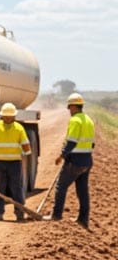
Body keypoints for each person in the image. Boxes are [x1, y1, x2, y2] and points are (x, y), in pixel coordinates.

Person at [51, 92, 95, 229]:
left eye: (69, 107)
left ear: (74, 106)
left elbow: (71, 142)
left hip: (74, 161)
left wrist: (62, 156)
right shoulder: (88, 120)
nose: (69, 110)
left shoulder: (75, 120)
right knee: (82, 191)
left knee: (60, 187)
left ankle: (56, 216)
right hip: (87, 161)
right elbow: (92, 144)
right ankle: (83, 219)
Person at [0, 102, 32, 222]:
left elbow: (26, 147)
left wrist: (25, 160)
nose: (8, 118)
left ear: (14, 116)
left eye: (10, 116)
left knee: (16, 188)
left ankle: (19, 213)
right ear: (2, 116)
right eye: (6, 116)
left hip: (14, 163)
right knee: (0, 188)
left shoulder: (19, 128)